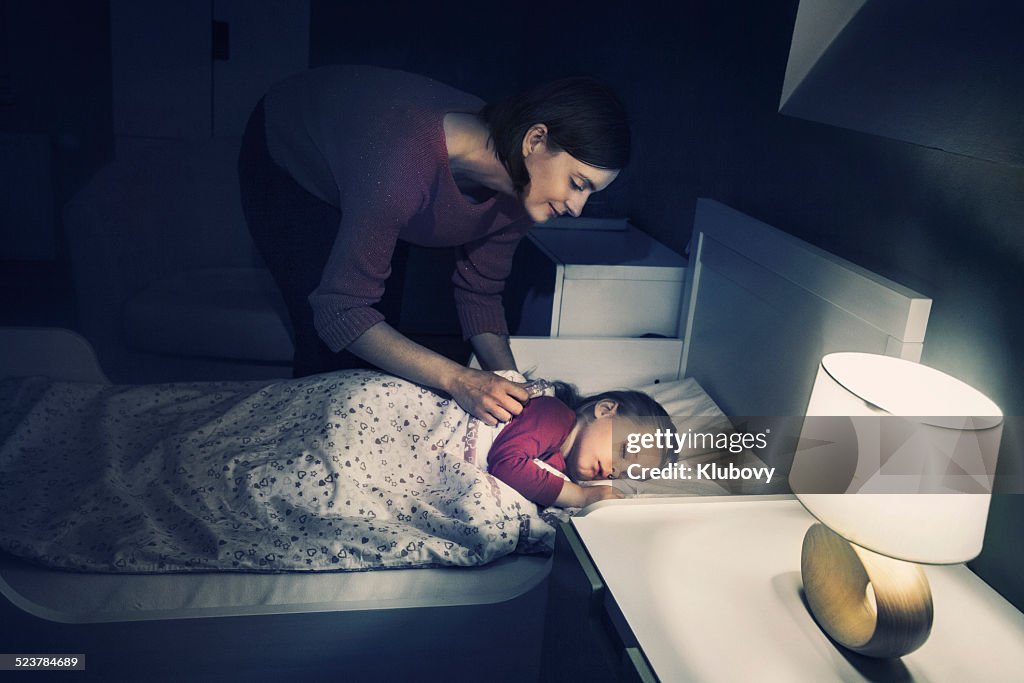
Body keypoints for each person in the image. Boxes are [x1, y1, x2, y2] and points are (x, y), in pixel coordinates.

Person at [238, 65, 630, 427]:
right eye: (578, 184)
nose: (578, 208)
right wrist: (460, 380)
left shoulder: (527, 190)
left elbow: (480, 290)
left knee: (384, 334)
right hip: (291, 153)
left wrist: (513, 387)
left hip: (378, 176)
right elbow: (341, 311)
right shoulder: (400, 167)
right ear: (535, 139)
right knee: (330, 348)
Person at [483, 380, 676, 508]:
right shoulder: (554, 414)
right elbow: (506, 464)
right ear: (605, 410)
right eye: (625, 451)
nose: (614, 472)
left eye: (626, 474)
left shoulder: (561, 471)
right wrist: (580, 496)